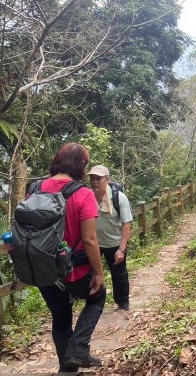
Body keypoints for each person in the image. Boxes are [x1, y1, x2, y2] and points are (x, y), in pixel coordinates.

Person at [37, 143, 105, 372]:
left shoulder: (36, 188)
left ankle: (68, 368)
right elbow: (89, 240)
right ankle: (77, 351)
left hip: (43, 268)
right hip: (74, 270)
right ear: (81, 165)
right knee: (97, 297)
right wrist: (99, 272)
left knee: (60, 315)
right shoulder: (83, 193)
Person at [88, 165, 132, 311]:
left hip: (115, 243)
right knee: (90, 273)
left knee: (119, 275)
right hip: (94, 244)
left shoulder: (119, 198)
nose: (94, 181)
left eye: (98, 178)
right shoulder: (87, 197)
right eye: (92, 178)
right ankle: (94, 301)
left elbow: (126, 224)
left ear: (107, 179)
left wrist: (121, 249)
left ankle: (123, 303)